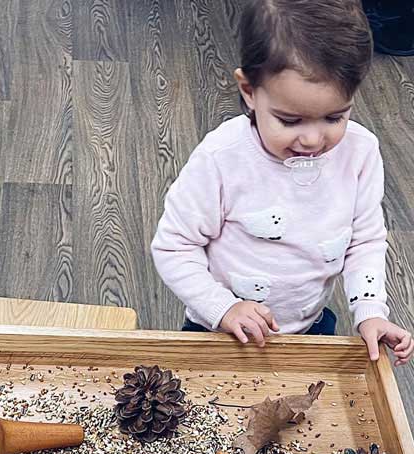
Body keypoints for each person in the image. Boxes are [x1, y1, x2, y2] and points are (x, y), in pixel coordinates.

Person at [151, 0, 413, 365]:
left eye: (334, 117)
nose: (312, 140)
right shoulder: (222, 157)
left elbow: (365, 240)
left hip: (311, 328)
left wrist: (370, 310)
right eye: (290, 120)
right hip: (222, 330)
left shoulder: (360, 152)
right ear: (249, 90)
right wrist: (223, 308)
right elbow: (174, 246)